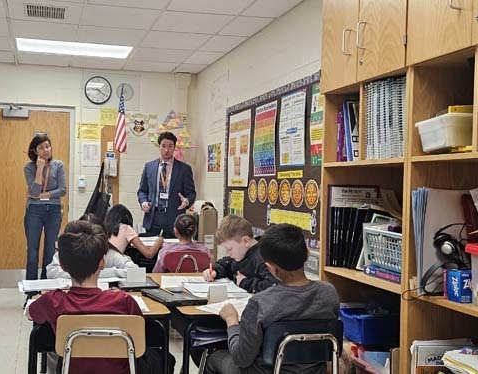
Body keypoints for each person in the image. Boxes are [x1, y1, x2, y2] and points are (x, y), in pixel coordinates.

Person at [26, 220, 174, 374]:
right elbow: (140, 333)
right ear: (102, 262)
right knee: (165, 357)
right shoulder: (124, 301)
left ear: (62, 265)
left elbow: (31, 313)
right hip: (122, 369)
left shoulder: (53, 300)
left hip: (71, 369)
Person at [206, 223, 340, 374]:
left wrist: (231, 321)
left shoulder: (260, 303)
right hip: (314, 371)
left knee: (213, 359)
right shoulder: (329, 293)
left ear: (270, 267)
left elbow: (242, 358)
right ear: (307, 253)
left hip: (265, 371)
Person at [137, 131, 196, 239]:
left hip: (175, 219)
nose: (166, 150)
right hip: (153, 217)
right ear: (159, 147)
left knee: (172, 253)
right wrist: (144, 202)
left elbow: (191, 193)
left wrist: (187, 201)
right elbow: (142, 191)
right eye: (163, 146)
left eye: (170, 146)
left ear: (174, 147)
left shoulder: (184, 169)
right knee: (151, 252)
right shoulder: (149, 167)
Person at [23, 134, 66, 280]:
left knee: (50, 252)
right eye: (41, 148)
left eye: (47, 146)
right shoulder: (29, 167)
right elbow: (34, 191)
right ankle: (31, 292)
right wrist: (40, 168)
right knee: (32, 253)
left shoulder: (58, 165)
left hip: (53, 211)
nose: (46, 150)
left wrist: (45, 194)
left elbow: (62, 190)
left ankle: (46, 288)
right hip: (34, 211)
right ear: (35, 151)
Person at [47, 215, 141, 279]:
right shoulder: (68, 251)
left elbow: (136, 272)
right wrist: (88, 274)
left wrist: (99, 274)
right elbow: (51, 272)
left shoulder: (109, 254)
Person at [202, 215, 278, 293]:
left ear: (246, 241)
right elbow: (226, 264)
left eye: (230, 249)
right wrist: (215, 271)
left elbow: (273, 286)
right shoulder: (240, 254)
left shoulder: (263, 259)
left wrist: (244, 282)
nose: (228, 253)